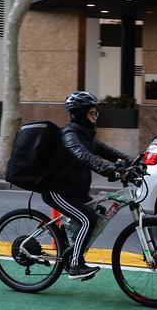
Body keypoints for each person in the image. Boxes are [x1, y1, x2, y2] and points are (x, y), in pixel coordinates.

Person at [41, 91, 132, 281]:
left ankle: (67, 247)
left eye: (96, 113)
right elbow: (86, 157)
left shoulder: (86, 135)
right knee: (88, 219)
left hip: (74, 190)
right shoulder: (69, 135)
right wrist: (111, 170)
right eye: (92, 113)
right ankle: (75, 265)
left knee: (97, 212)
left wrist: (133, 162)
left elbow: (108, 152)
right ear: (80, 114)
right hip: (57, 190)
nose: (96, 116)